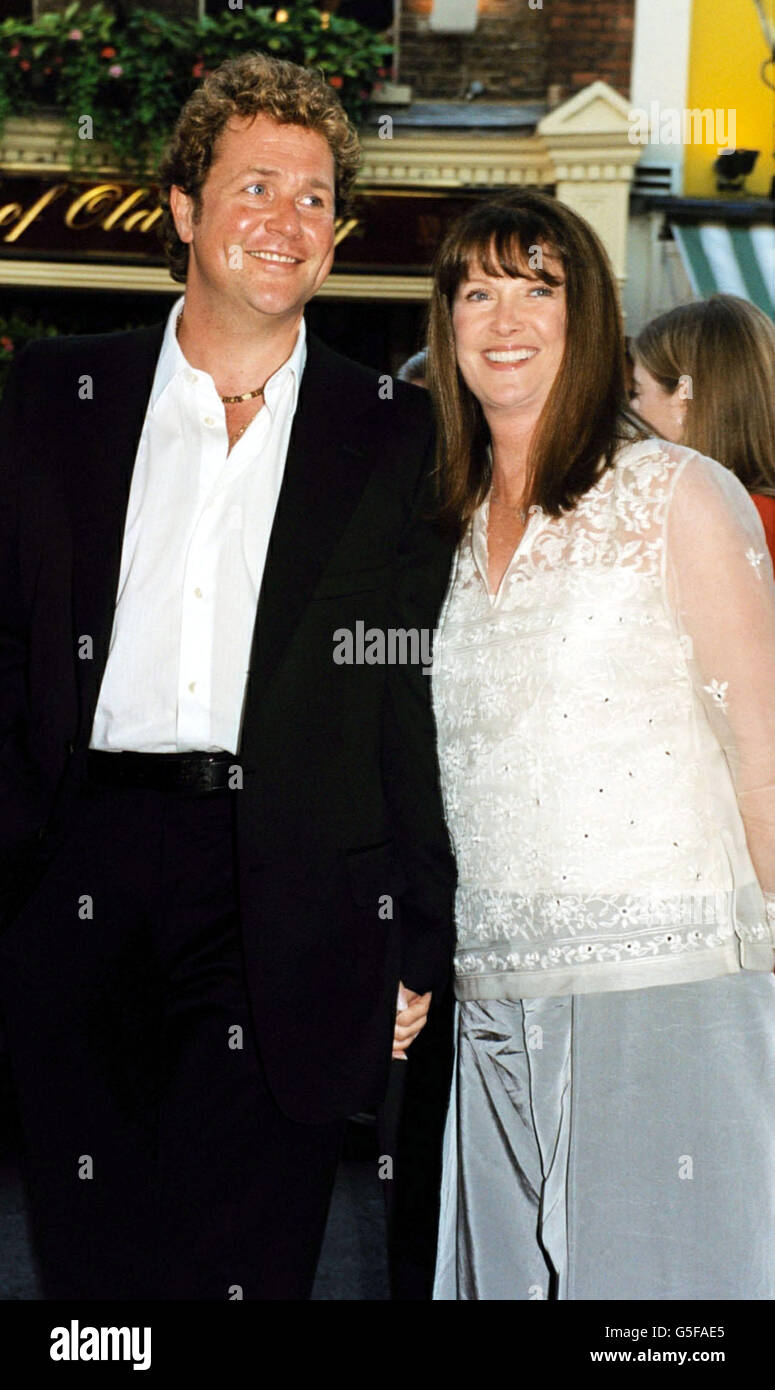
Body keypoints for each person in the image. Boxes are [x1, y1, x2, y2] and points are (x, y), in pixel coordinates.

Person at [0, 52, 456, 1301]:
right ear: (185, 210)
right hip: (73, 872)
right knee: (93, 1266)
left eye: (316, 198)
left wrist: (420, 931)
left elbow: (411, 695)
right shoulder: (54, 395)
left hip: (290, 890)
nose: (289, 220)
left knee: (246, 1262)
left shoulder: (392, 432)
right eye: (256, 186)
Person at [427, 189, 775, 1300]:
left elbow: (763, 751)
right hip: (493, 998)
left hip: (665, 986)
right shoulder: (442, 521)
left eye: (539, 285)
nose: (504, 314)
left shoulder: (676, 494)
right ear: (447, 327)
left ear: (593, 326)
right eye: (477, 290)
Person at [631, 294, 775, 562]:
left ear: (682, 399)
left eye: (638, 392)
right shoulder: (747, 509)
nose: (634, 408)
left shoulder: (728, 517)